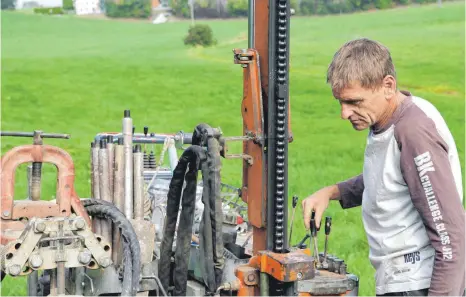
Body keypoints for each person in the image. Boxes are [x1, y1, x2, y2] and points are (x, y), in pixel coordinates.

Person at [301, 38, 465, 296]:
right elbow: (388, 179)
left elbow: (452, 237)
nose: (344, 113)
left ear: (388, 85)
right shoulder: (386, 121)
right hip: (400, 281)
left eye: (354, 102)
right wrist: (331, 192)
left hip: (418, 285)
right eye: (340, 102)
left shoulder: (413, 132)